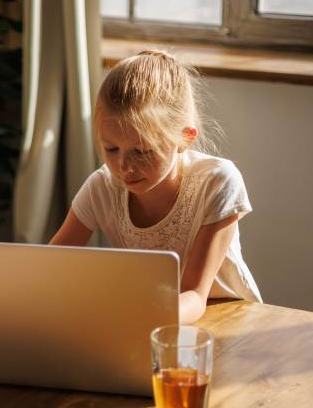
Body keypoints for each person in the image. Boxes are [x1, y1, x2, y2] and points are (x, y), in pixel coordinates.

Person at [50, 49, 261, 324]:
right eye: (111, 148)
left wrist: (130, 317)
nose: (124, 166)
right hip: (152, 318)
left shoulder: (217, 182)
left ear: (185, 137)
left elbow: (194, 296)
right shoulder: (103, 187)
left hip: (227, 318)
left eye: (142, 151)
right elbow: (50, 268)